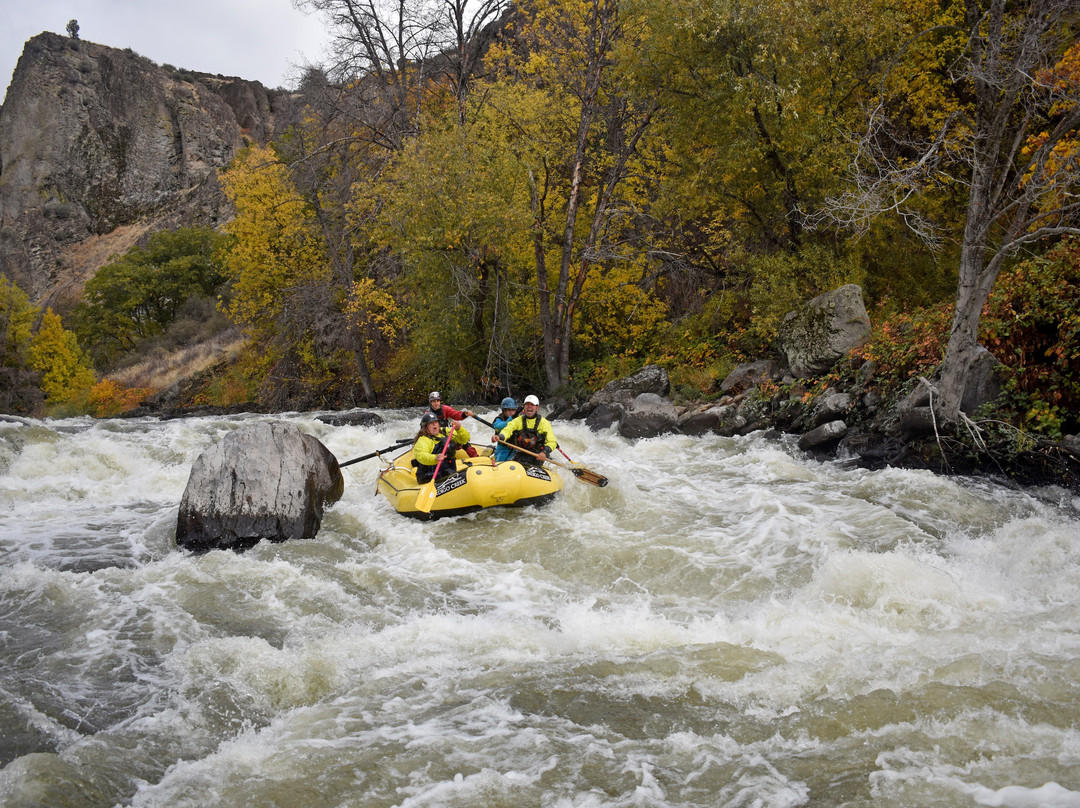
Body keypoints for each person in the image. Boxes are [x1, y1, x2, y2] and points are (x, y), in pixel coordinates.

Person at [492, 394, 556, 466]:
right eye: (527, 404)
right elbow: (507, 430)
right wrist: (500, 436)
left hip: (537, 456)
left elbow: (552, 442)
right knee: (506, 466)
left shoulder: (544, 423)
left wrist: (544, 452)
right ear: (524, 407)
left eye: (532, 405)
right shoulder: (518, 420)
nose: (529, 406)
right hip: (520, 453)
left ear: (537, 407)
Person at [413, 411, 471, 483]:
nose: (434, 425)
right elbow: (421, 455)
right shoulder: (423, 440)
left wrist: (459, 429)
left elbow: (464, 440)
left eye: (436, 422)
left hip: (447, 472)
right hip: (429, 476)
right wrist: (435, 458)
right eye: (431, 423)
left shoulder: (444, 432)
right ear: (425, 427)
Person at [428, 391, 479, 457]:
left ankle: (475, 457)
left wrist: (464, 414)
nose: (436, 403)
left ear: (440, 401)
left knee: (464, 443)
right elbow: (425, 429)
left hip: (445, 433)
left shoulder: (445, 409)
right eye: (434, 401)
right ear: (430, 402)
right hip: (435, 437)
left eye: (437, 401)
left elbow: (456, 415)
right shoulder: (428, 414)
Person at [491, 397, 519, 462]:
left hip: (515, 448)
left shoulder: (519, 418)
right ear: (504, 410)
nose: (512, 412)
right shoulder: (499, 419)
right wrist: (512, 418)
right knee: (500, 463)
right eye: (509, 410)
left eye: (513, 410)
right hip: (502, 448)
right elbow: (498, 426)